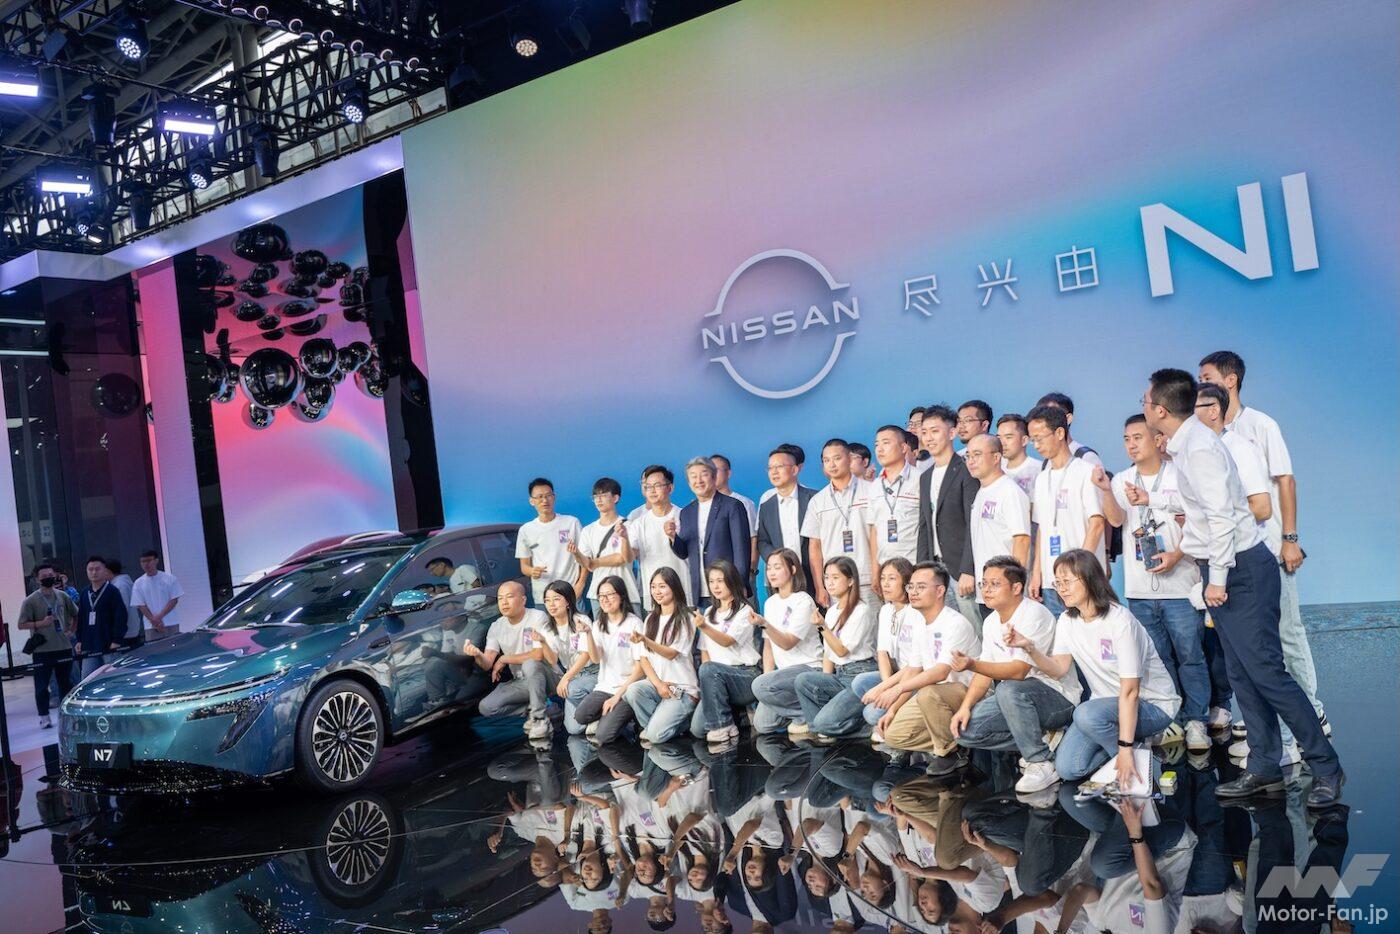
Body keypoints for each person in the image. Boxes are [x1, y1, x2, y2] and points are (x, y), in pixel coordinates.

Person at [1143, 368, 1343, 807]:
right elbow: (1201, 512)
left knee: (1268, 674)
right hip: (1225, 570)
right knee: (1242, 676)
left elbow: (1222, 519)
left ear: (1160, 409)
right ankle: (1265, 765)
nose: (1143, 406)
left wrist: (1215, 580)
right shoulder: (1187, 445)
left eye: (1146, 401)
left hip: (1242, 571)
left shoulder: (1199, 448)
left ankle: (1326, 767)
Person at [1200, 352, 1326, 740]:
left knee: (1287, 634)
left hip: (1270, 546)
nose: (1200, 384)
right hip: (1235, 554)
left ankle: (1311, 712)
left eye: (1207, 377)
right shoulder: (1206, 434)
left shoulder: (1260, 425)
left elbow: (1285, 480)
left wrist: (1290, 539)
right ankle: (1269, 721)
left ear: (1231, 380)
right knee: (1252, 645)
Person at [1094, 414, 1211, 752]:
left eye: (1138, 438)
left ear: (1158, 439)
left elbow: (1199, 522)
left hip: (1181, 583)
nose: (1131, 445)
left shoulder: (1179, 474)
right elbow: (1116, 519)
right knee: (1158, 659)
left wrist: (1176, 555)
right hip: (1139, 588)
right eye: (1126, 439)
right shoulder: (1122, 479)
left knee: (1191, 656)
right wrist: (1106, 490)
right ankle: (1170, 718)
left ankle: (1197, 720)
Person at [1013, 548, 1179, 785]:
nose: (1061, 588)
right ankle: (1136, 747)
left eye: (1067, 581)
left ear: (1090, 579)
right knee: (1068, 768)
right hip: (1104, 708)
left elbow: (1130, 692)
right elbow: (1059, 669)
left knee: (1085, 714)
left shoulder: (1119, 620)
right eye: (1058, 582)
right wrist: (1030, 648)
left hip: (1151, 705)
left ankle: (1132, 758)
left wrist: (1123, 750)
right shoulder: (1067, 620)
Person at [948, 556, 1079, 793]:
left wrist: (972, 664)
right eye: (984, 583)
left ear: (1017, 587)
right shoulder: (990, 622)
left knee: (1008, 688)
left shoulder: (1034, 614)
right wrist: (965, 707)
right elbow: (984, 674)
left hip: (1056, 698)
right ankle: (1044, 739)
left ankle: (1040, 761)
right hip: (1015, 700)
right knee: (965, 732)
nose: (986, 590)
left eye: (994, 584)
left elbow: (1019, 672)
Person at [878, 562, 980, 773]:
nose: (913, 592)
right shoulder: (919, 623)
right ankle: (955, 739)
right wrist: (893, 709)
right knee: (893, 735)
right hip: (934, 698)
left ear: (940, 591)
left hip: (966, 693)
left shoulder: (954, 623)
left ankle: (949, 752)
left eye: (921, 587)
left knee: (927, 693)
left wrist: (897, 688)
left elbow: (941, 672)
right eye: (911, 586)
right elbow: (913, 669)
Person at [811, 557, 917, 740]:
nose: (885, 584)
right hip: (892, 676)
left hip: (911, 677)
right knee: (860, 683)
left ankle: (887, 724)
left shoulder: (914, 612)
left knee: (870, 712)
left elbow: (916, 666)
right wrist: (886, 686)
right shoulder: (886, 610)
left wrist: (887, 689)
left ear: (907, 582)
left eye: (892, 578)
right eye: (882, 578)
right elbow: (882, 653)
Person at [1026, 405, 1105, 618]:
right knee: (1059, 634)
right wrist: (1036, 573)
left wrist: (1081, 570)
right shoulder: (1042, 478)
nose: (1036, 445)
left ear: (1060, 432)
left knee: (1088, 631)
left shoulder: (1086, 471)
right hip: (1051, 579)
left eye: (1040, 438)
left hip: (1081, 578)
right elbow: (1042, 528)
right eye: (1032, 440)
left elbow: (1097, 524)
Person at [793, 557, 879, 739]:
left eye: (835, 577)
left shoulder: (861, 610)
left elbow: (842, 650)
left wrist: (822, 627)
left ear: (850, 581)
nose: (829, 583)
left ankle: (863, 726)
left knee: (823, 723)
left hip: (860, 676)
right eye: (826, 577)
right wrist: (824, 681)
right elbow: (829, 653)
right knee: (803, 680)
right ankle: (823, 727)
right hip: (840, 674)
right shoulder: (832, 611)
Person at [466, 580, 558, 740]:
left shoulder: (537, 617)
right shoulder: (496, 626)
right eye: (500, 598)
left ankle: (539, 719)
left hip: (548, 677)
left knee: (530, 664)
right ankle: (543, 708)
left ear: (523, 600)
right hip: (521, 681)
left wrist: (504, 658)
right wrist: (477, 654)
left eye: (509, 597)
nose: (504, 602)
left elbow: (538, 655)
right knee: (486, 707)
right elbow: (487, 664)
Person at [914, 405, 979, 625]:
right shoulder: (925, 477)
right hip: (936, 571)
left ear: (952, 433)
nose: (928, 438)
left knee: (973, 630)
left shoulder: (966, 470)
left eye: (935, 431)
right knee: (944, 630)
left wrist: (968, 569)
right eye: (924, 432)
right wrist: (922, 571)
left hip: (961, 570)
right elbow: (924, 526)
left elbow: (973, 524)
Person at [750, 548, 822, 734]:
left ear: (793, 569)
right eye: (769, 568)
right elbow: (768, 645)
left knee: (759, 685)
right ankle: (806, 712)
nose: (771, 573)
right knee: (762, 724)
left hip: (808, 669)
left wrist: (764, 624)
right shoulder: (770, 602)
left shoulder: (803, 600)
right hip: (784, 676)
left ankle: (806, 715)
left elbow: (788, 642)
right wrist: (767, 680)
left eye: (777, 567)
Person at [692, 559, 763, 746]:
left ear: (732, 581)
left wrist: (704, 627)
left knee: (709, 669)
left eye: (720, 581)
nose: (715, 586)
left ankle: (724, 725)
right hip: (716, 679)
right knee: (697, 729)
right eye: (711, 581)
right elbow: (705, 652)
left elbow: (727, 641)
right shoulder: (709, 612)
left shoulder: (744, 610)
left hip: (744, 675)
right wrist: (708, 682)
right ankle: (736, 716)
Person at [625, 567, 699, 744]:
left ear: (674, 587)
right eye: (653, 587)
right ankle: (659, 726)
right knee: (633, 690)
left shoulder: (686, 617)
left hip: (681, 689)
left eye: (662, 586)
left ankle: (682, 722)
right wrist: (658, 684)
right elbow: (643, 658)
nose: (657, 591)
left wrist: (646, 640)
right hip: (660, 686)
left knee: (654, 736)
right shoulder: (651, 618)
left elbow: (671, 653)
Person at [801, 440, 878, 608]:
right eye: (826, 460)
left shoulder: (872, 491)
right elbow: (815, 547)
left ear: (849, 459)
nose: (832, 464)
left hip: (867, 578)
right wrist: (820, 586)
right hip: (835, 583)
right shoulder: (817, 501)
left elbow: (878, 535)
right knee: (840, 625)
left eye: (837, 458)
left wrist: (877, 573)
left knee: (872, 623)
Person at [668, 457, 752, 607]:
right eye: (693, 476)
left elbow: (741, 550)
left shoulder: (732, 506)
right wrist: (673, 537)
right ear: (689, 482)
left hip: (728, 587)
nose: (698, 480)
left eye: (704, 474)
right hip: (700, 589)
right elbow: (685, 552)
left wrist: (739, 585)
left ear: (714, 477)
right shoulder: (686, 512)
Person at [965, 434, 1031, 620]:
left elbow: (1022, 539)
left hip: (1006, 592)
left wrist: (1014, 586)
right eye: (968, 456)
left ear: (996, 457)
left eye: (977, 455)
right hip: (986, 590)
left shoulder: (1009, 491)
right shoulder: (981, 492)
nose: (971, 461)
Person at [572, 575, 645, 741]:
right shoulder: (598, 624)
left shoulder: (634, 624)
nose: (604, 599)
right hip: (605, 687)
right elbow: (596, 659)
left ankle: (627, 717)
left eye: (610, 594)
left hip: (628, 688)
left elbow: (640, 670)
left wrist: (617, 696)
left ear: (621, 596)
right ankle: (611, 717)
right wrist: (588, 633)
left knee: (603, 735)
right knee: (580, 716)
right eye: (601, 596)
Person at [16, 562, 77, 728]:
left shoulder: (63, 596)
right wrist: (41, 623)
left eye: (51, 575)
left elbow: (75, 614)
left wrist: (71, 630)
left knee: (66, 683)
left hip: (64, 647)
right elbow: (21, 624)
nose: (49, 578)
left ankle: (67, 715)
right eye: (44, 576)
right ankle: (44, 716)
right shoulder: (30, 600)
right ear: (37, 579)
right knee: (42, 686)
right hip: (42, 650)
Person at [627, 465, 693, 608]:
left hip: (683, 590)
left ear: (670, 488)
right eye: (648, 486)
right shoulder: (638, 524)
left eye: (657, 485)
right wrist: (623, 540)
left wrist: (673, 536)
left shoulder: (684, 516)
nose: (652, 490)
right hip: (654, 596)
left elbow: (691, 551)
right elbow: (630, 557)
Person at [538, 580, 596, 739]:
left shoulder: (581, 620)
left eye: (556, 599)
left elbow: (586, 655)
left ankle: (597, 714)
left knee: (571, 689)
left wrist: (566, 678)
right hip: (575, 676)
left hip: (593, 672)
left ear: (568, 602)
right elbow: (552, 660)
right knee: (573, 728)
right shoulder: (547, 628)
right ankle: (595, 709)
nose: (551, 604)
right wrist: (543, 643)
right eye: (547, 600)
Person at [756, 446, 817, 596]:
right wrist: (778, 562)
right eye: (770, 468)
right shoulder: (766, 506)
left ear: (795, 470)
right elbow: (762, 541)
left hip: (812, 576)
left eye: (779, 466)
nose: (774, 472)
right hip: (782, 581)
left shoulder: (814, 499)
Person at [516, 477, 585, 605]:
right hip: (543, 597)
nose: (544, 500)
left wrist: (580, 584)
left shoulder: (571, 523)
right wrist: (532, 571)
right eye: (539, 497)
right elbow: (524, 566)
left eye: (548, 495)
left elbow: (585, 557)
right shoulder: (526, 530)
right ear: (532, 501)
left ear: (554, 497)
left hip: (571, 593)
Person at [574, 477, 641, 605]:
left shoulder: (629, 525)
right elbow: (586, 564)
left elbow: (626, 558)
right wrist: (576, 553)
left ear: (615, 498)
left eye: (603, 495)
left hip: (626, 592)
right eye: (595, 496)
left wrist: (595, 562)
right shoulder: (588, 530)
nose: (598, 500)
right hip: (597, 594)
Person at [868, 425, 920, 565]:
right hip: (885, 566)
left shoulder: (921, 479)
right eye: (876, 445)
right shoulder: (875, 486)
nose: (880, 449)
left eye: (886, 443)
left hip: (915, 565)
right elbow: (874, 530)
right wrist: (875, 571)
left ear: (903, 448)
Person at [73, 555, 125, 678]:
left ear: (104, 570)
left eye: (97, 569)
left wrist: (117, 640)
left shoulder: (112, 591)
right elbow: (81, 618)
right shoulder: (85, 592)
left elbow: (120, 617)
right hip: (89, 644)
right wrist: (79, 639)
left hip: (109, 643)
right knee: (87, 677)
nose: (94, 572)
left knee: (113, 677)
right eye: (90, 569)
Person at [711, 453, 759, 578]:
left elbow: (754, 537)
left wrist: (751, 568)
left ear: (728, 473)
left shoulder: (744, 503)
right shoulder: (701, 506)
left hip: (739, 572)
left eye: (716, 470)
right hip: (712, 573)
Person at [1035, 392, 1101, 467]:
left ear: (1068, 419)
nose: (1045, 423)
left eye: (1050, 416)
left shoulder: (1086, 456)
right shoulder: (1046, 462)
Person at [130, 550, 184, 636]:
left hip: (171, 622)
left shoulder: (170, 578)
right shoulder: (138, 583)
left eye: (149, 560)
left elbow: (174, 600)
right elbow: (140, 605)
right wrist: (154, 621)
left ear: (156, 560)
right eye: (143, 561)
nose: (146, 564)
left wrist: (159, 617)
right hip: (151, 625)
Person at [995, 414, 1041, 496]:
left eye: (1008, 437)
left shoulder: (1038, 470)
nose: (1002, 443)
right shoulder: (995, 470)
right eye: (999, 438)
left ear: (1024, 440)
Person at [103, 559, 142, 649]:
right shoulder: (125, 582)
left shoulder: (119, 586)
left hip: (125, 633)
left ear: (108, 571)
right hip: (131, 629)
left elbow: (122, 610)